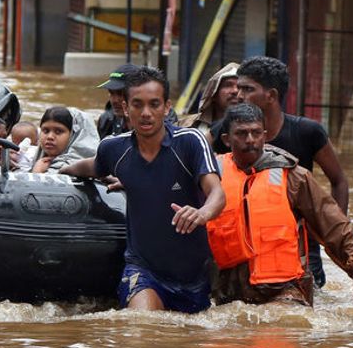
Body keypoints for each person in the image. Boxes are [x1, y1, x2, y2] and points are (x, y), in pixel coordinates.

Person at [62, 67, 225, 313]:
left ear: (167, 107)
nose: (146, 113)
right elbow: (91, 166)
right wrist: (58, 171)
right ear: (126, 108)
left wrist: (202, 213)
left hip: (193, 276)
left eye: (154, 104)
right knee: (142, 329)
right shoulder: (114, 148)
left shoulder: (190, 141)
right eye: (137, 105)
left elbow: (217, 193)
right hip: (143, 270)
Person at [207, 104, 353, 306]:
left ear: (264, 135)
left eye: (255, 133)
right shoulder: (210, 175)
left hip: (284, 288)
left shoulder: (293, 176)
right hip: (227, 289)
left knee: (285, 323)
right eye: (242, 134)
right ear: (227, 139)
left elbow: (331, 221)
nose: (250, 140)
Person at [235, 56, 349, 288]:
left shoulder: (307, 132)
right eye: (238, 88)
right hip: (248, 244)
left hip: (302, 243)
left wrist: (332, 233)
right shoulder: (228, 135)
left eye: (247, 89)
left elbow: (339, 181)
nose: (238, 96)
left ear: (272, 96)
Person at [177, 62, 241, 150]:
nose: (235, 91)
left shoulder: (258, 129)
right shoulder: (188, 126)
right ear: (213, 94)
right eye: (228, 85)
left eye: (240, 86)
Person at [31, 106, 99, 174]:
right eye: (46, 131)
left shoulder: (80, 169)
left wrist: (37, 173)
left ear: (73, 136)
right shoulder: (32, 160)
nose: (50, 137)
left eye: (58, 131)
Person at [96, 63, 141, 137]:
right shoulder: (106, 121)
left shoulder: (157, 124)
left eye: (121, 94)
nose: (115, 100)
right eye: (111, 93)